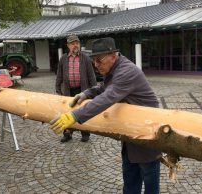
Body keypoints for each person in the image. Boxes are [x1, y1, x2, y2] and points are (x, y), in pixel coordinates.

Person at [51, 37, 161, 193]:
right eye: (93, 61)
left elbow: (108, 96)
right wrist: (86, 93)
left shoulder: (127, 71)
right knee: (130, 184)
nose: (96, 65)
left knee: (150, 186)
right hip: (131, 137)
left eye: (99, 60)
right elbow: (104, 86)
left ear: (113, 55)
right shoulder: (115, 68)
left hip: (148, 135)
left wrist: (74, 116)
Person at [55, 35, 97, 142]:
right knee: (67, 111)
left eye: (77, 43)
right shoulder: (63, 58)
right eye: (73, 43)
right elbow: (59, 75)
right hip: (68, 91)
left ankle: (85, 133)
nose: (75, 45)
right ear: (68, 45)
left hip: (83, 90)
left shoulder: (85, 58)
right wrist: (58, 89)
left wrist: (94, 91)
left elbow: (91, 76)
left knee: (84, 110)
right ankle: (67, 133)